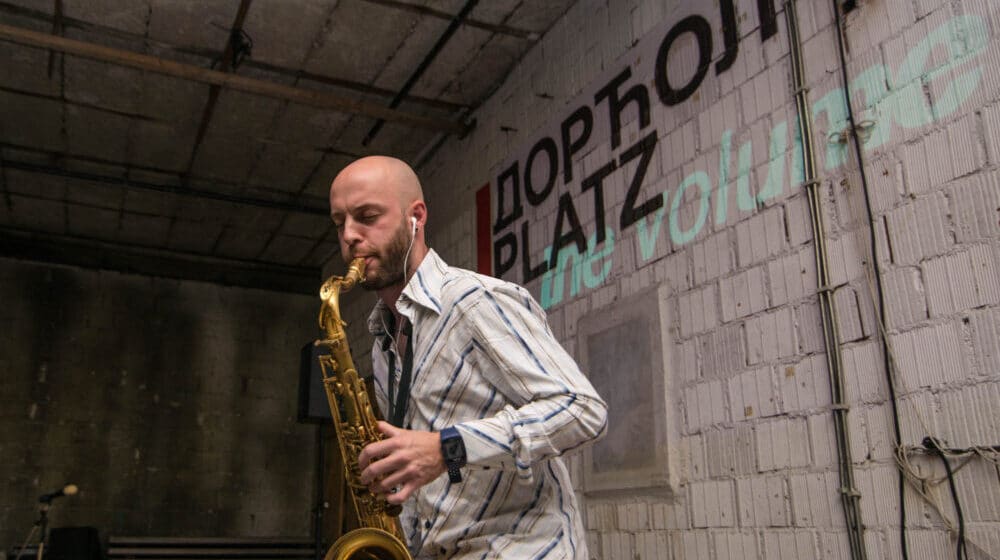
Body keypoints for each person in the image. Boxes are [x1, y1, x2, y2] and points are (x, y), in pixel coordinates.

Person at [328, 155, 608, 559]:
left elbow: (582, 409)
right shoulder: (383, 341)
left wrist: (447, 449)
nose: (350, 235)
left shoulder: (477, 301)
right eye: (340, 222)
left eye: (367, 216)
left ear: (416, 217)